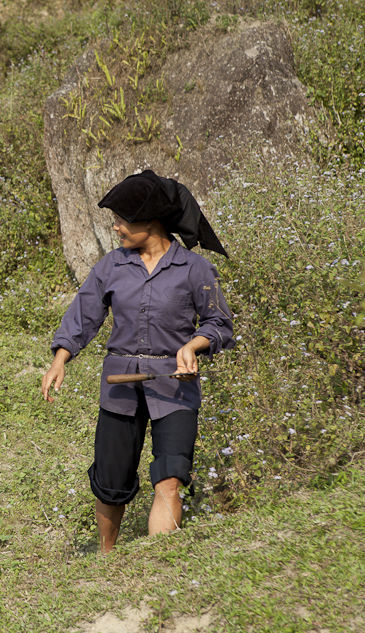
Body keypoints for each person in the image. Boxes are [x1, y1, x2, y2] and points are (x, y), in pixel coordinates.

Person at [40, 169, 234, 552]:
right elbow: (84, 313)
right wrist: (61, 358)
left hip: (174, 386)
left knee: (170, 474)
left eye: (122, 221)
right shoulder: (111, 266)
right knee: (111, 481)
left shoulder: (195, 269)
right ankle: (107, 558)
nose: (116, 228)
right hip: (119, 385)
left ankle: (156, 568)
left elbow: (219, 323)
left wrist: (192, 346)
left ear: (151, 223)